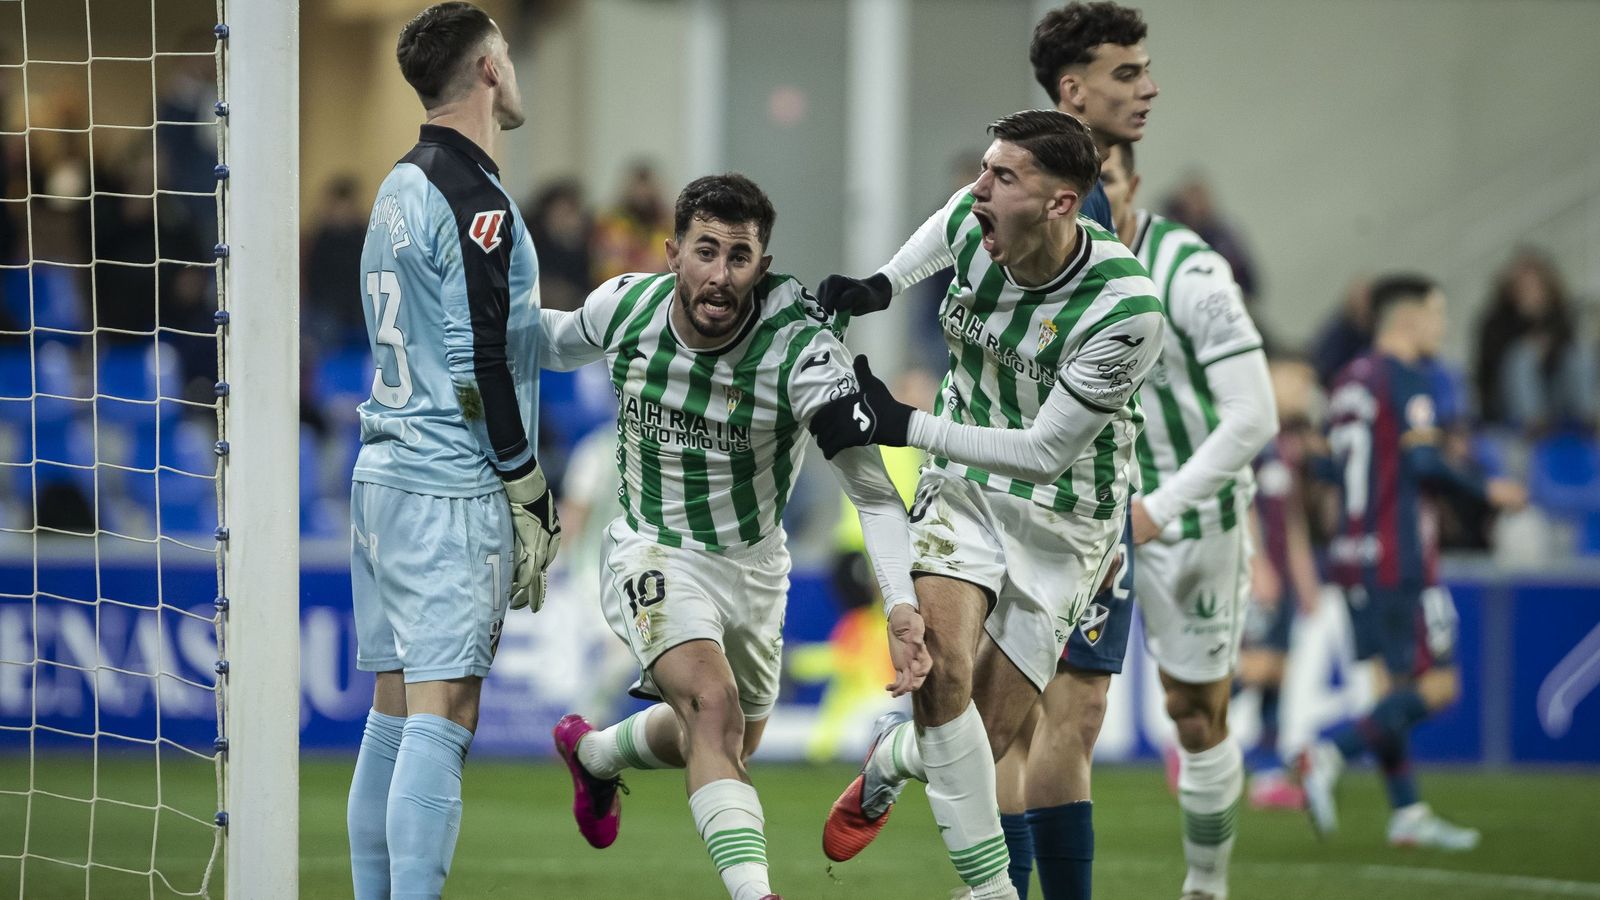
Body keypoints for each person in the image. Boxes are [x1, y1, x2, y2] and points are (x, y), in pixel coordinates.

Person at [540, 173, 931, 900]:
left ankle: (594, 754)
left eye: (740, 256)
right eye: (706, 251)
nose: (720, 276)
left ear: (764, 263)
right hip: (652, 547)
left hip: (755, 566)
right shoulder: (627, 309)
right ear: (672, 254)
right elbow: (549, 340)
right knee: (711, 708)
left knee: (723, 736)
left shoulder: (800, 353)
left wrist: (900, 604)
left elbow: (871, 489)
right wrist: (463, 325)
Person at [809, 109, 1164, 900]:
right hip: (964, 484)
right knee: (944, 682)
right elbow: (944, 227)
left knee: (981, 735)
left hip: (1066, 516)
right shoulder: (981, 226)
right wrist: (881, 285)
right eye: (984, 168)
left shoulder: (1125, 311)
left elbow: (1044, 453)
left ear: (1061, 204)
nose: (979, 190)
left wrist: (902, 423)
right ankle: (991, 892)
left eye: (1003, 178)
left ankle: (894, 760)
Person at [343, 6, 560, 899]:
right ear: (487, 72)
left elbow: (475, 337)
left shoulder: (396, 187)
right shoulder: (477, 203)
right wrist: (526, 484)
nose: (513, 69)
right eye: (506, 54)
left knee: (392, 717)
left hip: (384, 473)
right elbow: (476, 358)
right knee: (446, 715)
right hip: (447, 489)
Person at [1298, 274, 1529, 851]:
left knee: (1391, 691)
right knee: (1440, 685)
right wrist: (1485, 490)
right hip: (1400, 554)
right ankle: (1329, 754)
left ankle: (1407, 813)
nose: (1441, 328)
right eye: (1437, 315)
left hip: (1352, 555)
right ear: (1409, 321)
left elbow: (1326, 469)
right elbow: (1424, 463)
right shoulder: (1406, 378)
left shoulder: (1348, 379)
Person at [1109, 139, 1279, 900]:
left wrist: (1158, 507)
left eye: (1102, 182)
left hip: (1189, 517)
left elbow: (1256, 418)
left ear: (1134, 185)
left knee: (1194, 711)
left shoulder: (1192, 270)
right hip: (1085, 516)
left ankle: (1206, 886)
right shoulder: (1035, 261)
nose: (1081, 199)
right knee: (1033, 703)